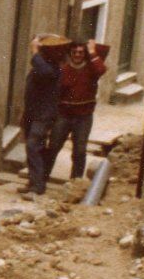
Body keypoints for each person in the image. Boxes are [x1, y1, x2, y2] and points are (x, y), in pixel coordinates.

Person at [45, 38, 107, 180]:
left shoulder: (91, 68)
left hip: (83, 117)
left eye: (81, 52)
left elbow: (102, 69)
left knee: (79, 151)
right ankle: (41, 179)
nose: (78, 55)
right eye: (74, 52)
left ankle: (75, 183)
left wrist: (92, 51)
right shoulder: (63, 68)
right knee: (53, 147)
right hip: (64, 115)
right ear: (70, 53)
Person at [21, 35, 63, 197]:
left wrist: (34, 52)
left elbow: (45, 73)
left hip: (43, 115)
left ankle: (38, 186)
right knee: (32, 147)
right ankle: (33, 182)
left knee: (33, 145)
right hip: (33, 113)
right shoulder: (42, 65)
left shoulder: (53, 67)